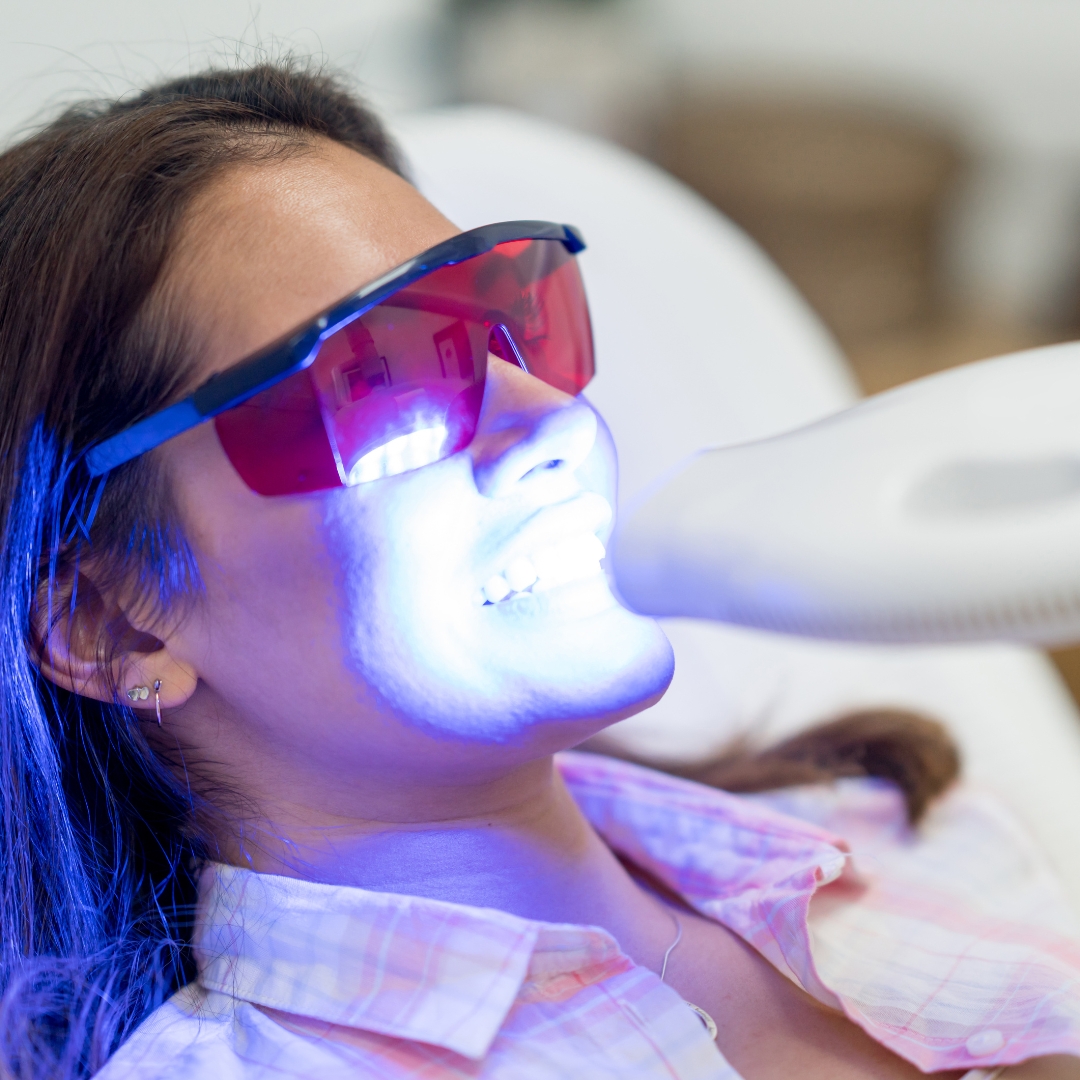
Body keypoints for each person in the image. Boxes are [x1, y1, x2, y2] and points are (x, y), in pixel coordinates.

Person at [0, 61, 1078, 1080]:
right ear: (111, 622)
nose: (554, 421)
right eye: (383, 383)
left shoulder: (905, 828)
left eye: (515, 324)